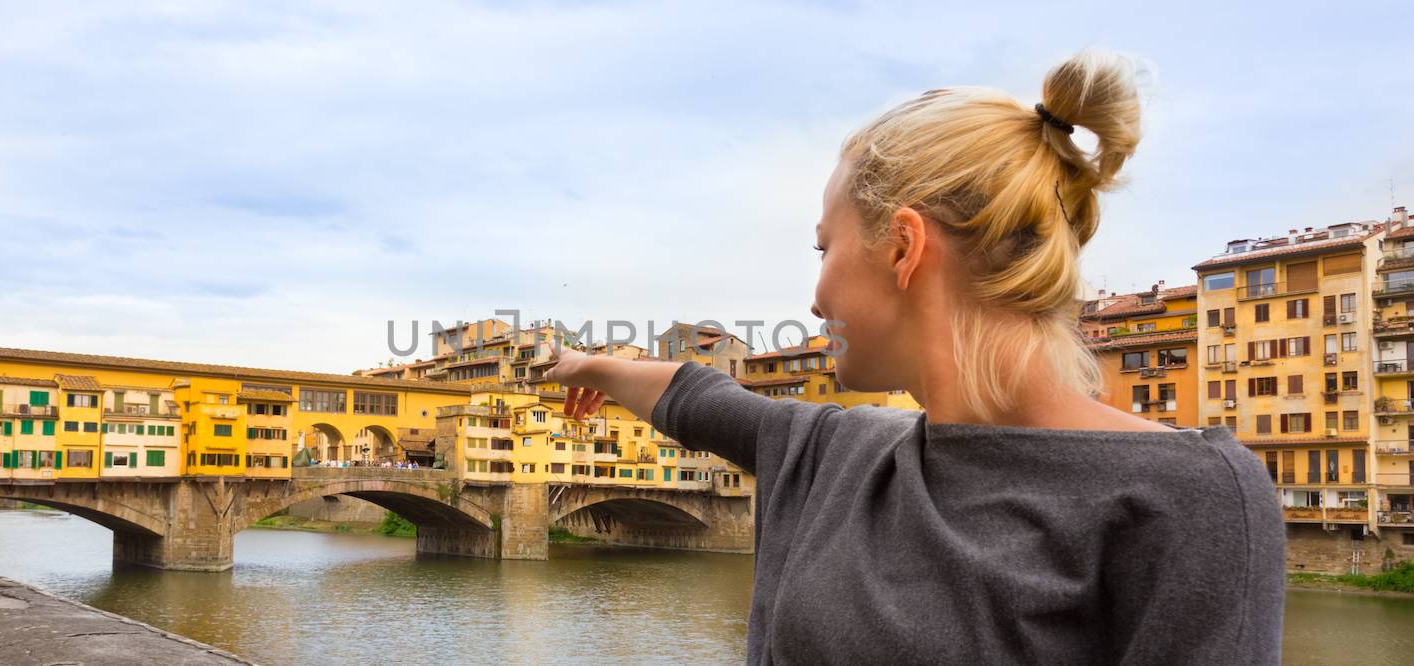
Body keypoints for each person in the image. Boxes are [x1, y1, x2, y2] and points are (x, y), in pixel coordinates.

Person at [543, 50, 1284, 665]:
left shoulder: (1190, 497)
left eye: (824, 248)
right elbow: (691, 392)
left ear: (903, 247)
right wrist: (585, 367)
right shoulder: (837, 451)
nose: (815, 300)